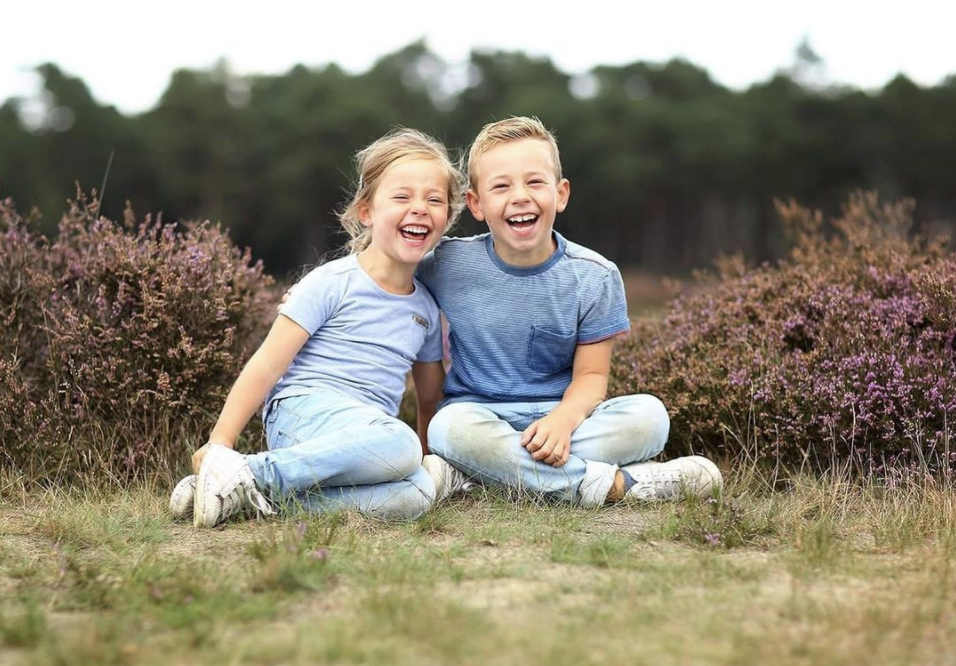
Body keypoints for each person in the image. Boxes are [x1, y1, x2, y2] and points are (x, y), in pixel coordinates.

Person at [416, 116, 722, 507]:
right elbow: (389, 277)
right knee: (449, 428)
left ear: (560, 194)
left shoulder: (595, 276)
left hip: (567, 422)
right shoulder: (448, 264)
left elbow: (592, 377)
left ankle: (479, 476)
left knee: (650, 417)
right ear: (476, 204)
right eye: (501, 186)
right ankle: (617, 486)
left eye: (535, 182)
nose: (521, 196)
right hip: (479, 417)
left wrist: (562, 421)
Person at [169, 127, 463, 527]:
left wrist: (424, 460)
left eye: (434, 199)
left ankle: (245, 494)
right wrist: (220, 442)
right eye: (401, 196)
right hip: (302, 415)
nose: (420, 208)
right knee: (401, 443)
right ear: (367, 212)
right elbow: (266, 366)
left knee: (418, 491)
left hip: (358, 442)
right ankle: (241, 469)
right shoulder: (332, 282)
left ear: (448, 215)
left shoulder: (426, 309)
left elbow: (429, 398)